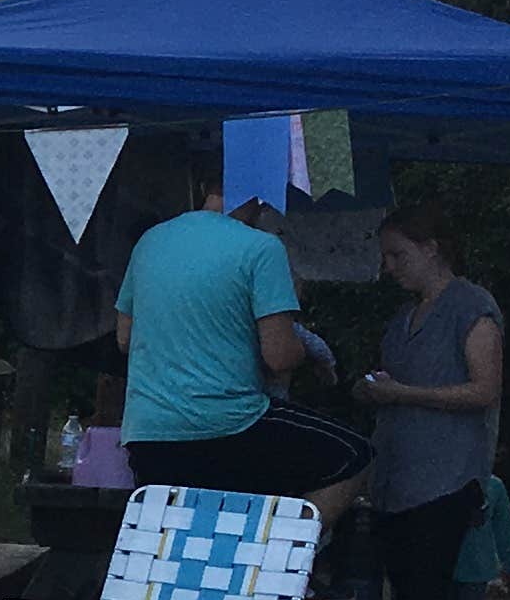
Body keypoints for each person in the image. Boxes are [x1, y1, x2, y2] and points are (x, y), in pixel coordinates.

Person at [347, 202, 506, 600]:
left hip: (448, 478)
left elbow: (483, 390)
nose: (391, 267)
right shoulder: (403, 321)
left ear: (432, 248)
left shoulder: (473, 309)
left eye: (400, 254)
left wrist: (404, 394)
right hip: (398, 478)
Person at [112, 178, 369, 511]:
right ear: (260, 193)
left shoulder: (152, 240)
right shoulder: (262, 248)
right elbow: (279, 357)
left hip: (148, 431)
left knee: (180, 538)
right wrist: (311, 354)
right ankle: (276, 553)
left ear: (204, 185)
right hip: (229, 425)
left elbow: (125, 339)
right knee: (354, 456)